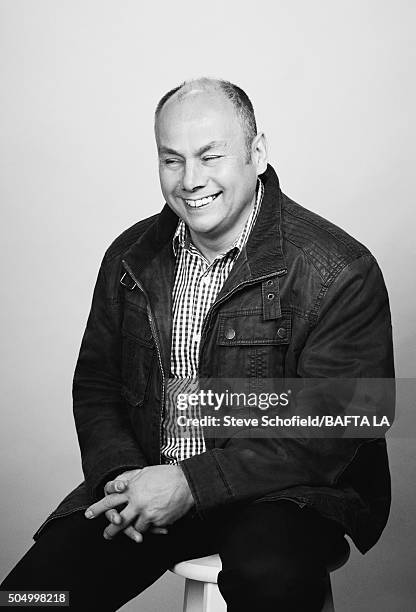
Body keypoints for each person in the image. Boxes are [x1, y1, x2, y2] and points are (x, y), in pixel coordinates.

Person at [1, 78, 394, 611]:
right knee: (30, 599)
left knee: (270, 578)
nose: (190, 180)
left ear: (257, 153)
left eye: (210, 156)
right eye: (172, 160)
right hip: (153, 482)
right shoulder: (130, 258)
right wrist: (122, 478)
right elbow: (97, 385)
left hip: (287, 496)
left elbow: (342, 420)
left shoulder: (337, 269)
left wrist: (193, 483)